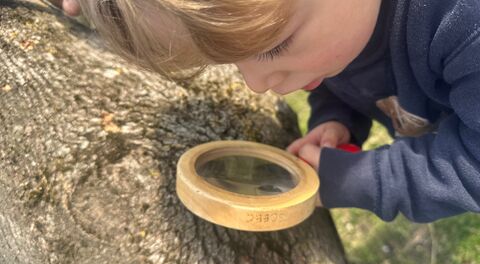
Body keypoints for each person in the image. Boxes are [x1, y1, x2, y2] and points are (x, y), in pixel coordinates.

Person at [66, 0, 480, 223]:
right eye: (233, 60)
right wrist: (335, 119)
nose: (257, 84)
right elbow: (341, 72)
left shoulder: (465, 22)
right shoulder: (340, 26)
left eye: (274, 47)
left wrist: (354, 180)